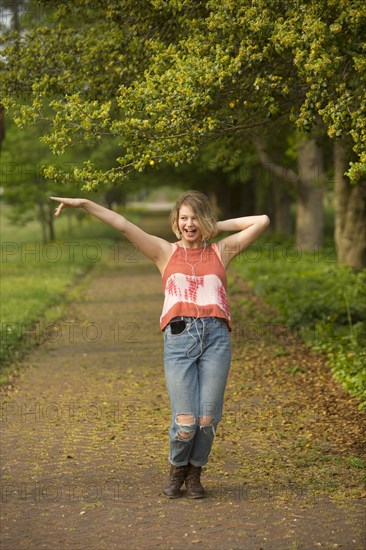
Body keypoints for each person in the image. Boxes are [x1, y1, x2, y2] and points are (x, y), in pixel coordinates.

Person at [50, 190, 270, 499]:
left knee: (207, 419)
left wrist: (214, 226)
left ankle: (195, 473)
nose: (189, 224)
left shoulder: (221, 251)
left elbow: (262, 220)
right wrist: (85, 204)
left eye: (195, 218)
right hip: (180, 339)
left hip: (216, 339)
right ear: (175, 222)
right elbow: (122, 224)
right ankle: (177, 466)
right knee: (186, 422)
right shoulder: (164, 252)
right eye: (183, 218)